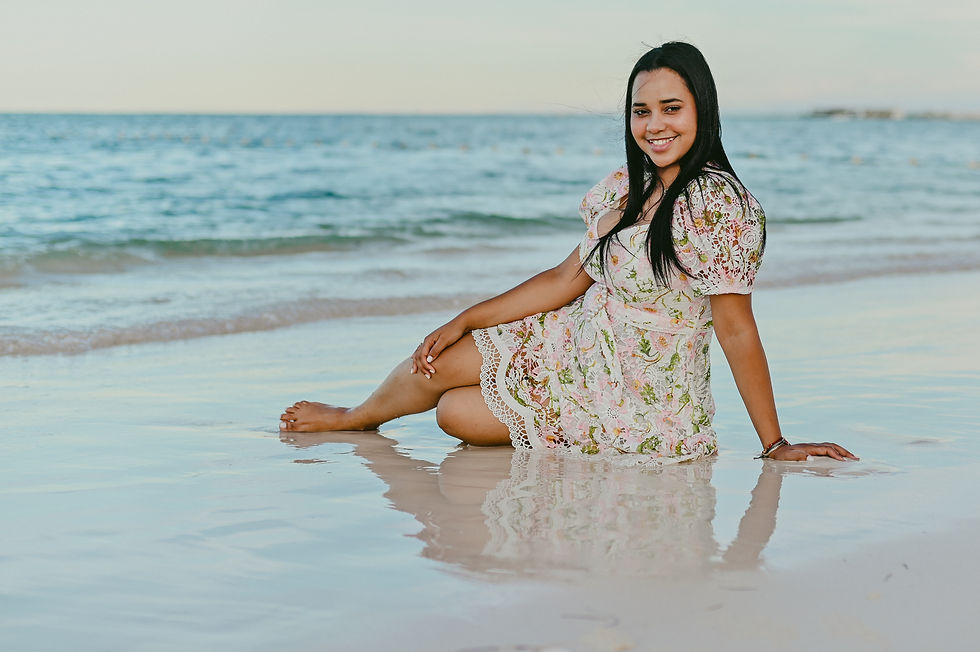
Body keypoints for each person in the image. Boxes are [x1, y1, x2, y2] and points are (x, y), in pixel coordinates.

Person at [279, 41, 857, 464]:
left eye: (671, 108)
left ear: (702, 110)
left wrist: (774, 442)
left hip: (638, 394)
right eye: (641, 111)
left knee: (454, 413)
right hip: (576, 343)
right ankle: (355, 417)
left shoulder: (719, 205)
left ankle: (382, 418)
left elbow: (735, 328)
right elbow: (563, 280)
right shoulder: (627, 189)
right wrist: (466, 318)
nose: (654, 125)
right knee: (441, 360)